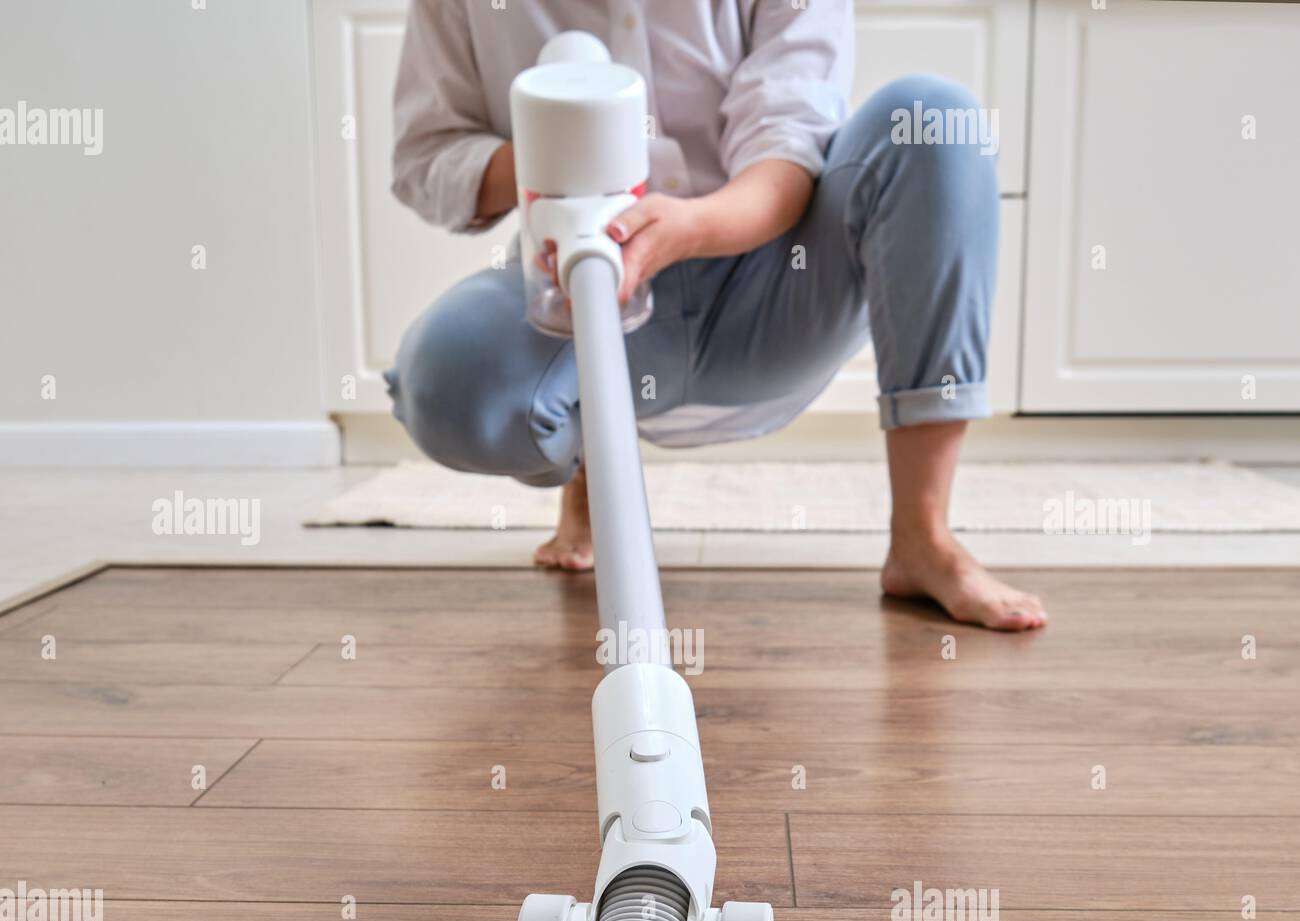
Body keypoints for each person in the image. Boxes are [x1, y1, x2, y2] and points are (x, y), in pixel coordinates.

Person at [385, 1, 1047, 632]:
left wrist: (695, 226)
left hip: (771, 282)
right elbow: (426, 154)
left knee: (932, 116)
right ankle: (590, 469)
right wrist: (555, 147)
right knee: (446, 379)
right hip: (582, 289)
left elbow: (786, 140)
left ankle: (923, 539)